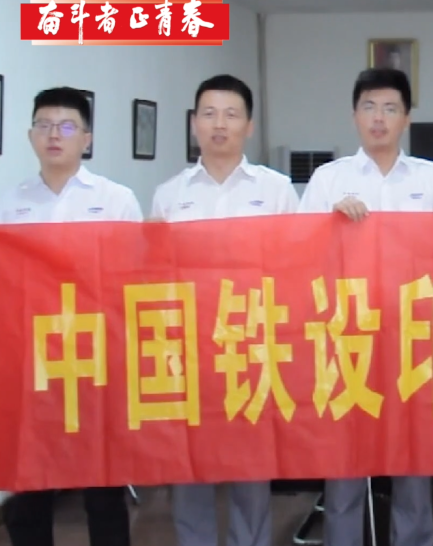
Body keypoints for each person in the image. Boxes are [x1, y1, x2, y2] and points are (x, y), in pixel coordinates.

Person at [298, 67, 433, 546]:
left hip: (414, 334)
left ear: (406, 118)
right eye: (369, 107)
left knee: (412, 462)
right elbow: (299, 254)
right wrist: (330, 225)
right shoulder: (329, 179)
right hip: (348, 333)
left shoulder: (432, 178)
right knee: (345, 463)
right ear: (354, 116)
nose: (379, 118)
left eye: (390, 108)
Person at [150, 74, 298, 546]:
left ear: (249, 126)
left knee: (250, 466)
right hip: (187, 348)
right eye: (209, 114)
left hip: (252, 343)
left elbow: (296, 267)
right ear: (194, 123)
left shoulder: (276, 191)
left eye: (231, 115)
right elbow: (154, 276)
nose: (219, 124)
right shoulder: (169, 194)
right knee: (189, 463)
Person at [0, 86, 139, 546]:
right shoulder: (9, 204)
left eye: (66, 126)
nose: (53, 135)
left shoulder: (116, 200)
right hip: (31, 362)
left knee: (102, 487)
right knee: (30, 486)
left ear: (86, 138)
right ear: (30, 135)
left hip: (96, 359)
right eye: (44, 125)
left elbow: (134, 279)